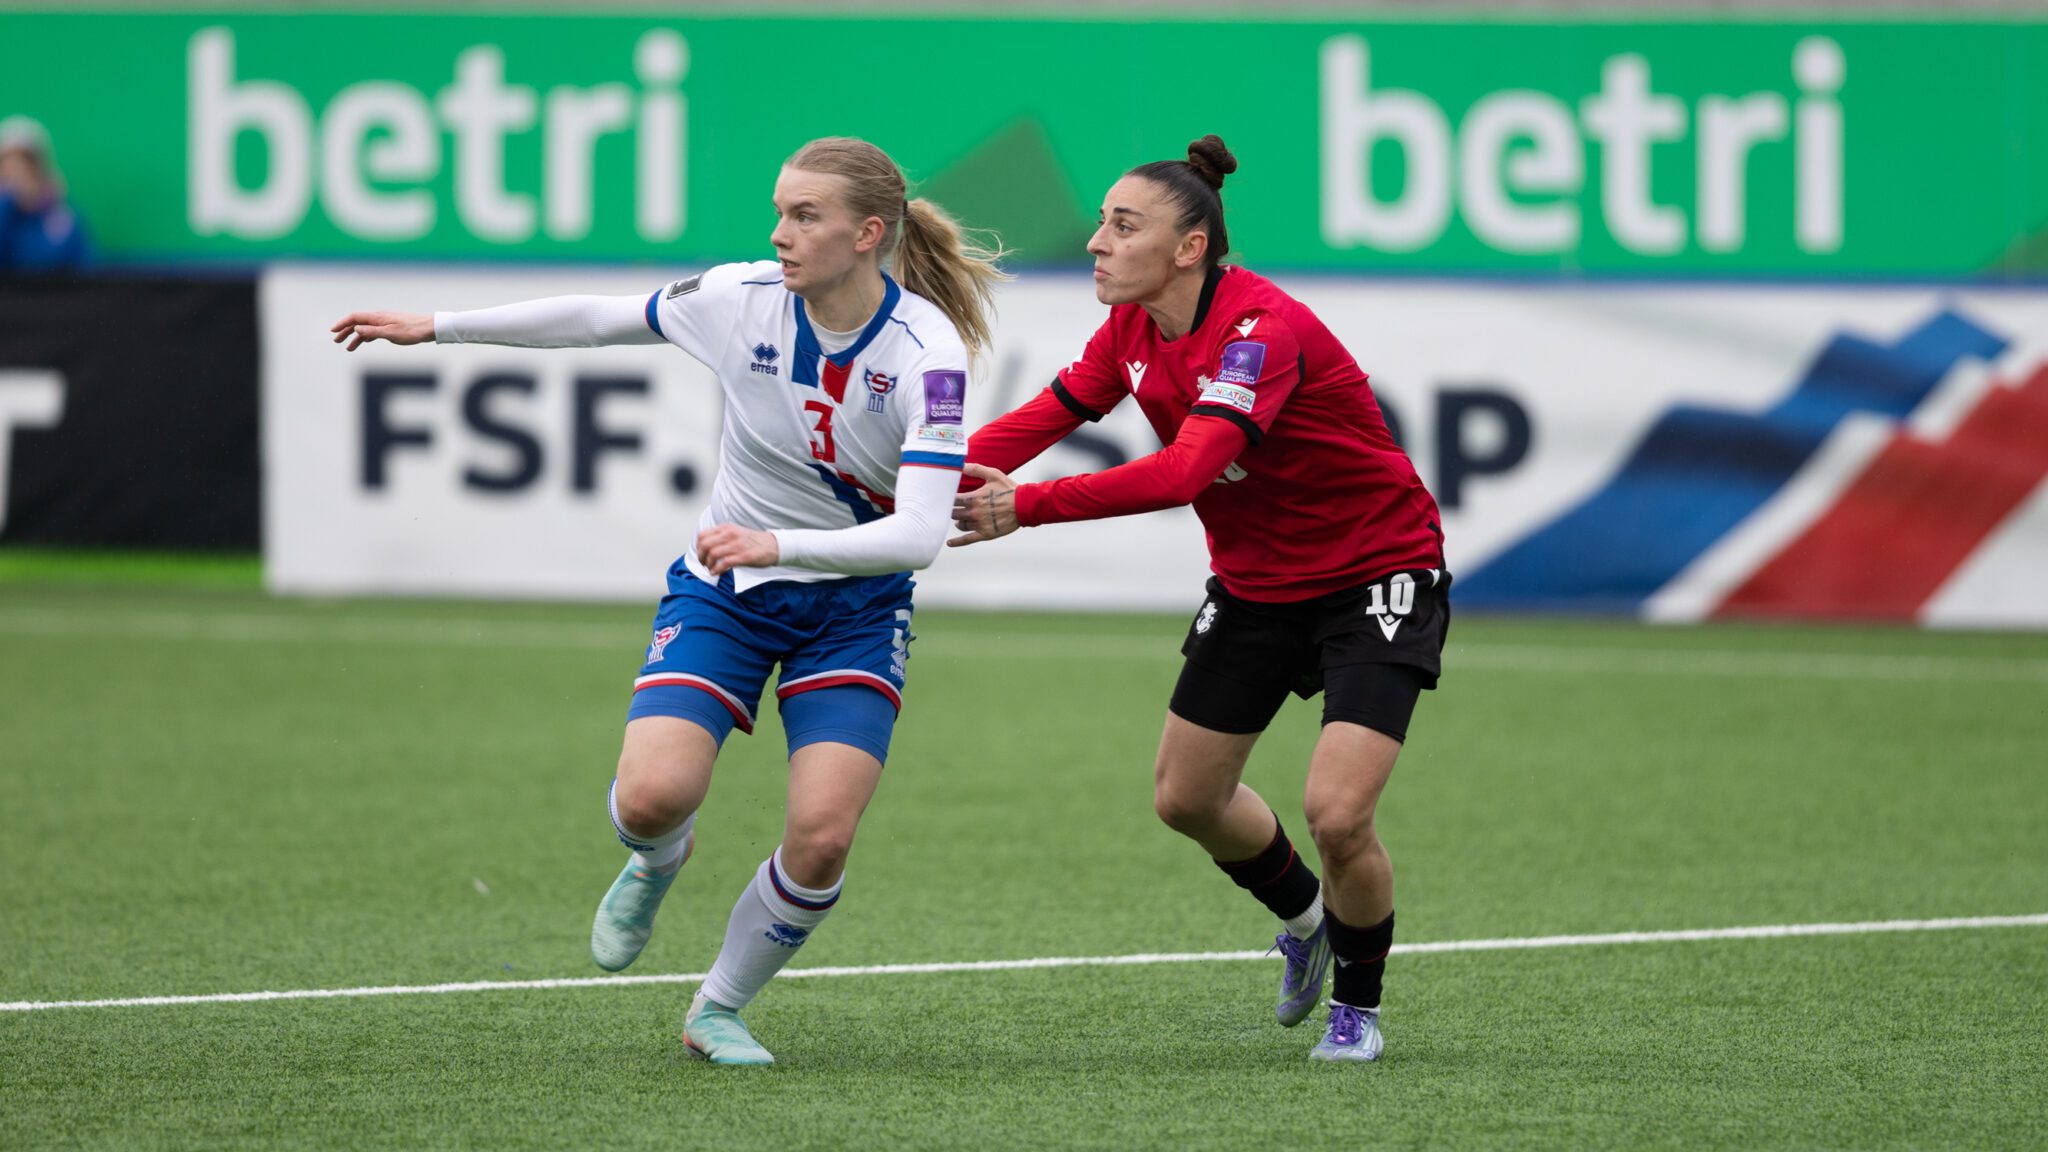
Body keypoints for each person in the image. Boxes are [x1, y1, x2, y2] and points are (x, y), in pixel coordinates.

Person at [331, 137, 1005, 1066]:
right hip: (727, 591)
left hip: (855, 609)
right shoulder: (739, 298)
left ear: (867, 234)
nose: (780, 234)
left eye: (805, 216)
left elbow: (919, 536)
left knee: (820, 841)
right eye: (779, 210)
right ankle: (657, 858)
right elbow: (595, 319)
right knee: (652, 799)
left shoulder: (928, 352)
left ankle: (717, 1009)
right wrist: (439, 327)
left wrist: (780, 543)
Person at [950, 135, 1446, 1064]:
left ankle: (1358, 1008)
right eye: (1101, 222)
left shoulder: (1260, 332)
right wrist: (905, 479)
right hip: (1258, 583)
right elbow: (1038, 421)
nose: (1096, 241)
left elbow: (1187, 472)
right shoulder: (1131, 329)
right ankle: (1308, 920)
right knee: (1186, 798)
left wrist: (1027, 508)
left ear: (1189, 248)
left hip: (1376, 572)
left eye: (1122, 226)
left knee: (1338, 815)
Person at [0, 116, 90, 271]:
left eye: (26, 168)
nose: (17, 179)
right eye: (8, 173)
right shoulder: (5, 213)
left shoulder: (64, 218)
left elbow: (82, 267)